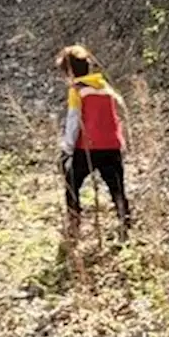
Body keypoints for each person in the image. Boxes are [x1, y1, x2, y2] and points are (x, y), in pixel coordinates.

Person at [55, 44, 132, 248]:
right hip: (112, 146)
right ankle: (125, 226)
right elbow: (121, 115)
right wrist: (123, 142)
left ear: (70, 72)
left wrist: (67, 148)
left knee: (72, 181)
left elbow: (74, 120)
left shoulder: (77, 91)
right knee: (117, 187)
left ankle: (74, 225)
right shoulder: (106, 88)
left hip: (88, 147)